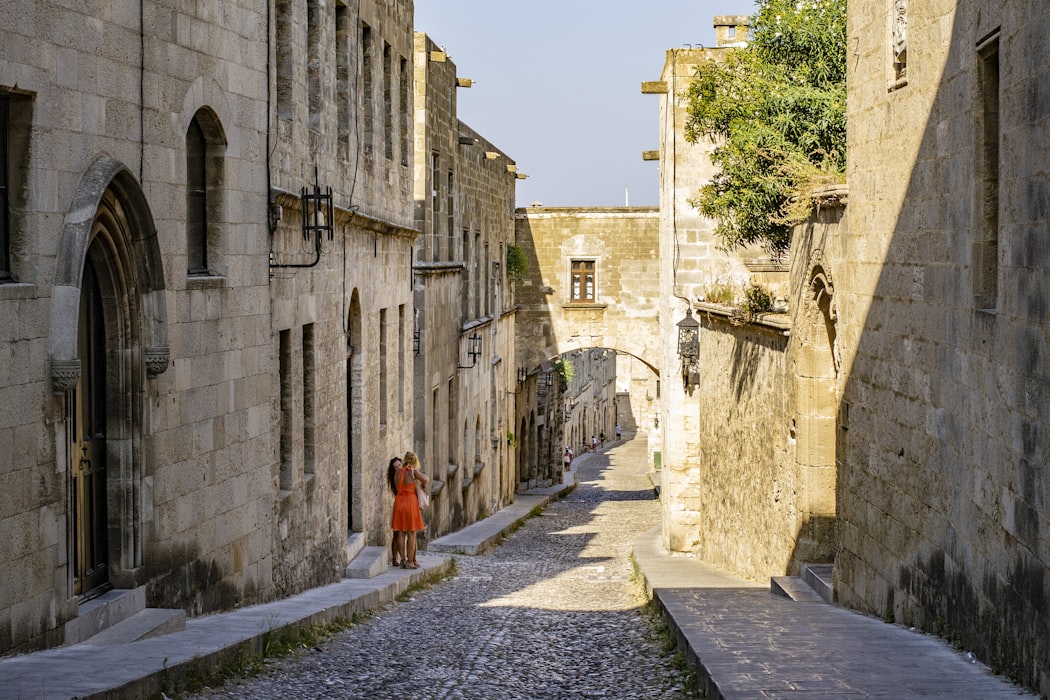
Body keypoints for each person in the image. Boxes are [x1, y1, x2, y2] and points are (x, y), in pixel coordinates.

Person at [390, 450, 429, 569]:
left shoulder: (398, 473)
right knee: (411, 532)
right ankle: (410, 561)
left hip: (399, 501)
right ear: (414, 461)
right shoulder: (412, 471)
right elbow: (426, 479)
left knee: (401, 532)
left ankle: (402, 560)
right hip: (410, 502)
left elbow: (397, 487)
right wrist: (423, 486)